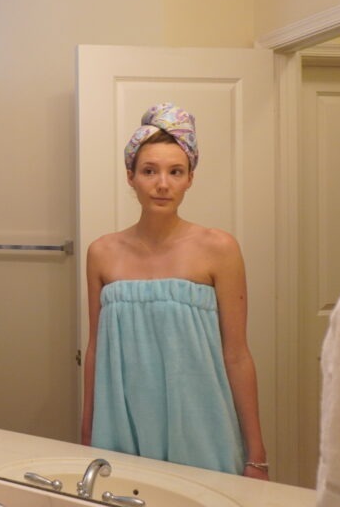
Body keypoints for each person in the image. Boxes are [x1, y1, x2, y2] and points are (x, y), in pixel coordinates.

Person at [80, 103, 268, 480]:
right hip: (121, 427)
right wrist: (86, 432)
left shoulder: (219, 249)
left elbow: (236, 355)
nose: (162, 184)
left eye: (175, 172)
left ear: (190, 178)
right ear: (131, 176)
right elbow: (96, 350)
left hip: (203, 427)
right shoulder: (101, 253)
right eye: (149, 171)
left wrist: (256, 454)